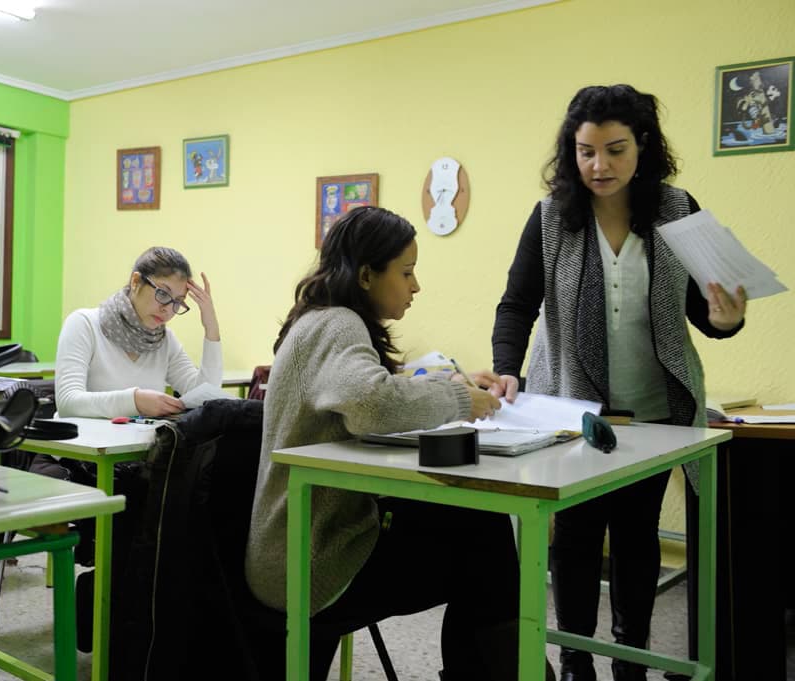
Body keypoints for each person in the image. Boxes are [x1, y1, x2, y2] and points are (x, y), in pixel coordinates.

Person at [490, 84, 747, 681]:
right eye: (584, 152)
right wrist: (507, 365)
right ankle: (576, 660)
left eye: (614, 149)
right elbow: (517, 303)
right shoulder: (552, 218)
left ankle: (631, 659)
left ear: (643, 148)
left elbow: (706, 310)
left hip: (654, 411)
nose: (598, 166)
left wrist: (725, 319)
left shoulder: (678, 210)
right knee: (577, 536)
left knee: (635, 537)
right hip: (571, 408)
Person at [246, 206, 550, 681]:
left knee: (473, 526)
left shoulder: (319, 320)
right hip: (316, 561)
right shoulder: (339, 323)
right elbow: (372, 403)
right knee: (483, 537)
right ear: (367, 275)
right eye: (406, 272)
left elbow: (364, 390)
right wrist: (455, 396)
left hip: (297, 548)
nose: (415, 285)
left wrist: (440, 379)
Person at [54, 246, 222, 418]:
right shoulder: (84, 324)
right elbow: (68, 403)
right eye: (163, 293)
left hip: (141, 444)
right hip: (88, 442)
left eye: (178, 302)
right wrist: (134, 401)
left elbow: (206, 396)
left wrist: (211, 326)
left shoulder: (165, 341)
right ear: (135, 281)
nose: (168, 310)